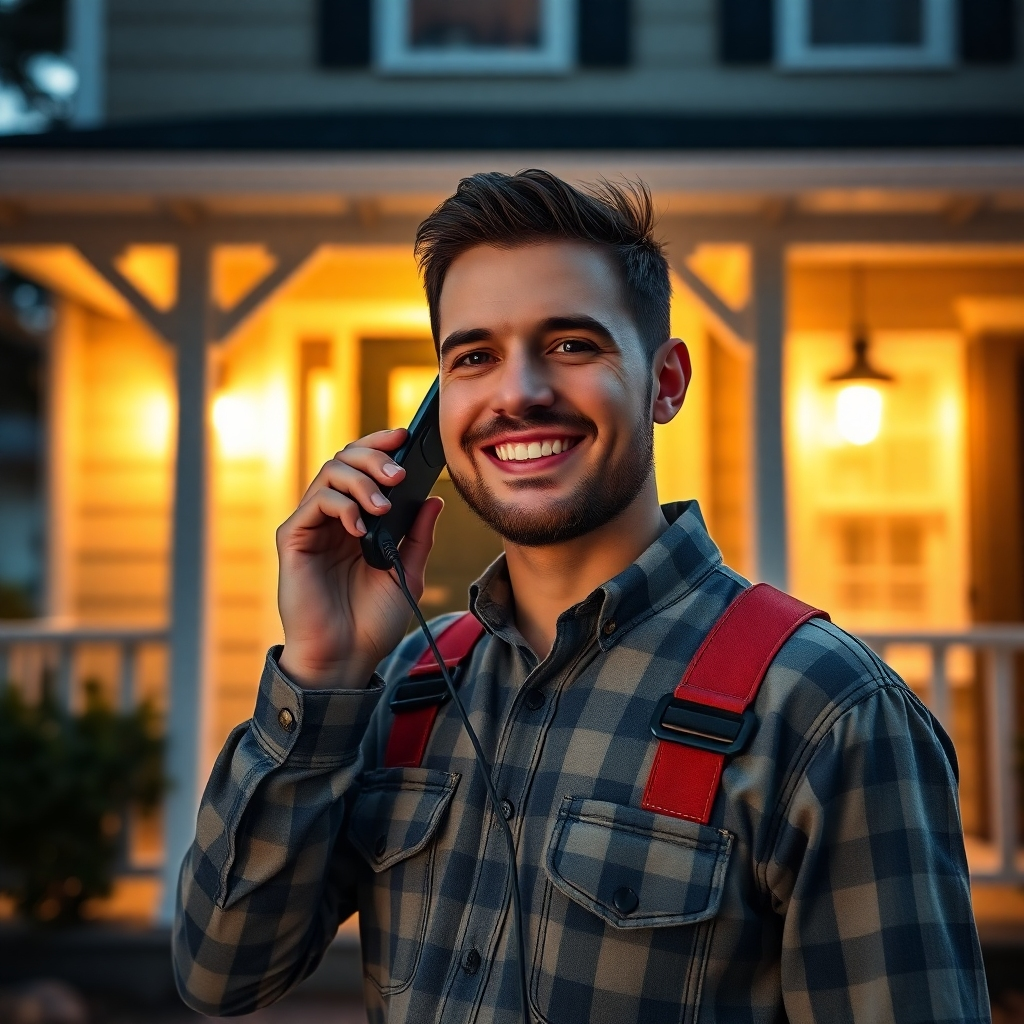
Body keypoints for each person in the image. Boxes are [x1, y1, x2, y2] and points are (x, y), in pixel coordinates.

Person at [173, 170, 989, 1024]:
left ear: (665, 382)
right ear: (437, 408)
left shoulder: (830, 713)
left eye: (571, 345)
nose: (517, 392)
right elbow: (220, 975)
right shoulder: (408, 682)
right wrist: (322, 669)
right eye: (474, 356)